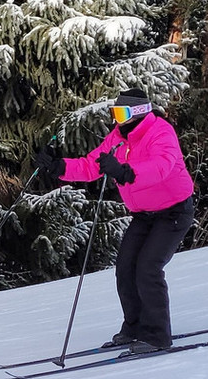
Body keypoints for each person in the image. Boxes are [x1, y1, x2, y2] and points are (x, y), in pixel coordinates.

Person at [34, 88, 195, 353]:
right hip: (143, 215)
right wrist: (58, 167)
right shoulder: (118, 137)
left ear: (139, 112)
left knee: (148, 268)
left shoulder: (160, 132)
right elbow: (91, 165)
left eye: (123, 113)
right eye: (115, 113)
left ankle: (156, 336)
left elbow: (162, 166)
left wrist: (126, 172)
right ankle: (133, 327)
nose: (117, 118)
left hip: (174, 212)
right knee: (125, 267)